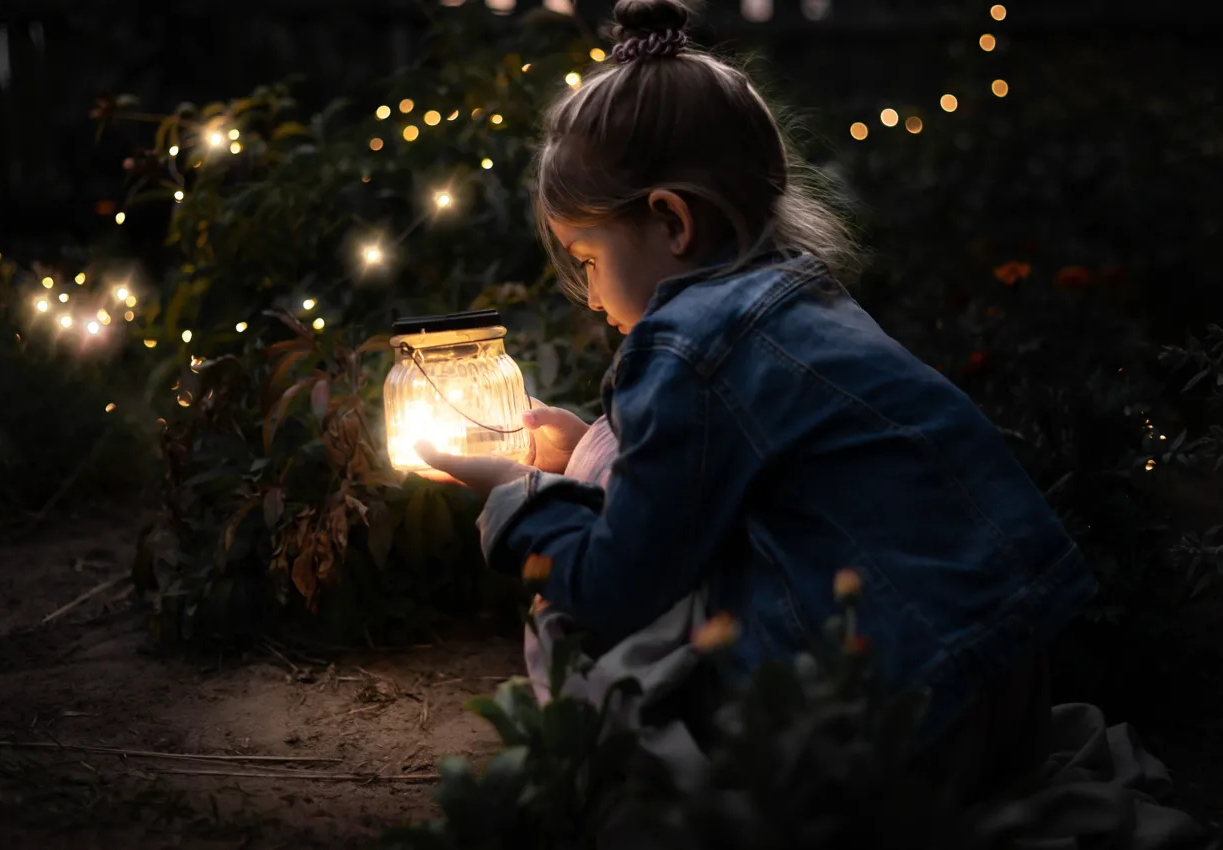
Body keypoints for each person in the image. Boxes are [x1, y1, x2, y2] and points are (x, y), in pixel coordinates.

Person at [414, 0, 1095, 803]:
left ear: (670, 219)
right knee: (608, 465)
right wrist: (582, 447)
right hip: (1001, 687)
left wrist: (517, 499)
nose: (591, 296)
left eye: (587, 257)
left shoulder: (687, 343)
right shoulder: (803, 300)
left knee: (582, 631)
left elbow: (618, 583)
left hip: (898, 725)